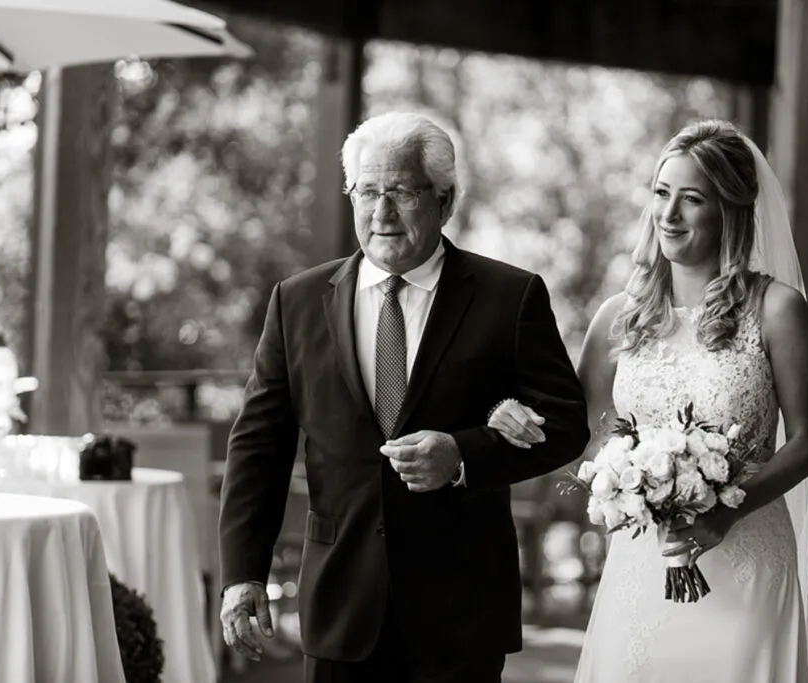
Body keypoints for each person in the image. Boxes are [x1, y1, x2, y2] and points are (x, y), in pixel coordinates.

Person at [217, 111, 590, 683]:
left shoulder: (508, 297)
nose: (381, 211)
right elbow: (259, 446)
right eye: (367, 191)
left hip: (460, 606)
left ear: (445, 200)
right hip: (341, 602)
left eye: (402, 192)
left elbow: (566, 423)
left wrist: (464, 456)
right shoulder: (296, 302)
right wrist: (243, 572)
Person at [487, 119, 808, 682]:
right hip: (642, 560)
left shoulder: (778, 311)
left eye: (691, 199)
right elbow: (587, 435)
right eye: (661, 194)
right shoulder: (617, 319)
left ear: (732, 211)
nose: (668, 215)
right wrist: (512, 416)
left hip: (747, 562)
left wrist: (727, 511)